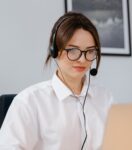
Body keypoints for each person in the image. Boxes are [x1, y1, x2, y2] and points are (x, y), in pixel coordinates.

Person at [0, 12, 113, 150]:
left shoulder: (106, 99)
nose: (82, 59)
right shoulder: (29, 101)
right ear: (55, 51)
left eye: (90, 51)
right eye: (73, 50)